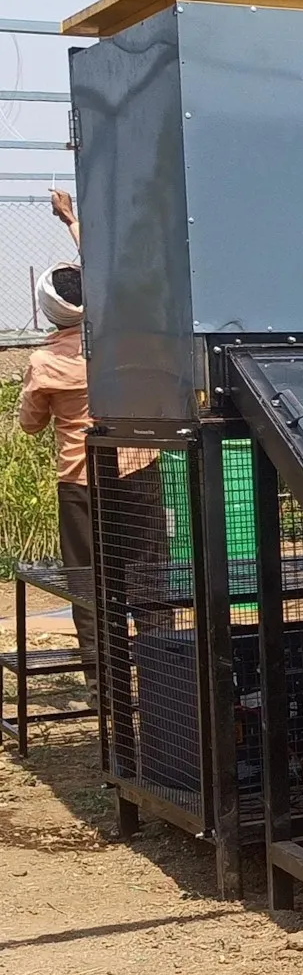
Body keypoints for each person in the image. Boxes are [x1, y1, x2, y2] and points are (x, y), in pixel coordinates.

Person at [19, 189, 95, 689]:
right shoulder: (118, 340)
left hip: (79, 479)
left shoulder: (44, 363)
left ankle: (98, 676)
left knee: (86, 580)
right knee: (150, 577)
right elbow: (108, 274)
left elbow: (29, 424)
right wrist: (71, 220)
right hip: (139, 468)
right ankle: (162, 670)